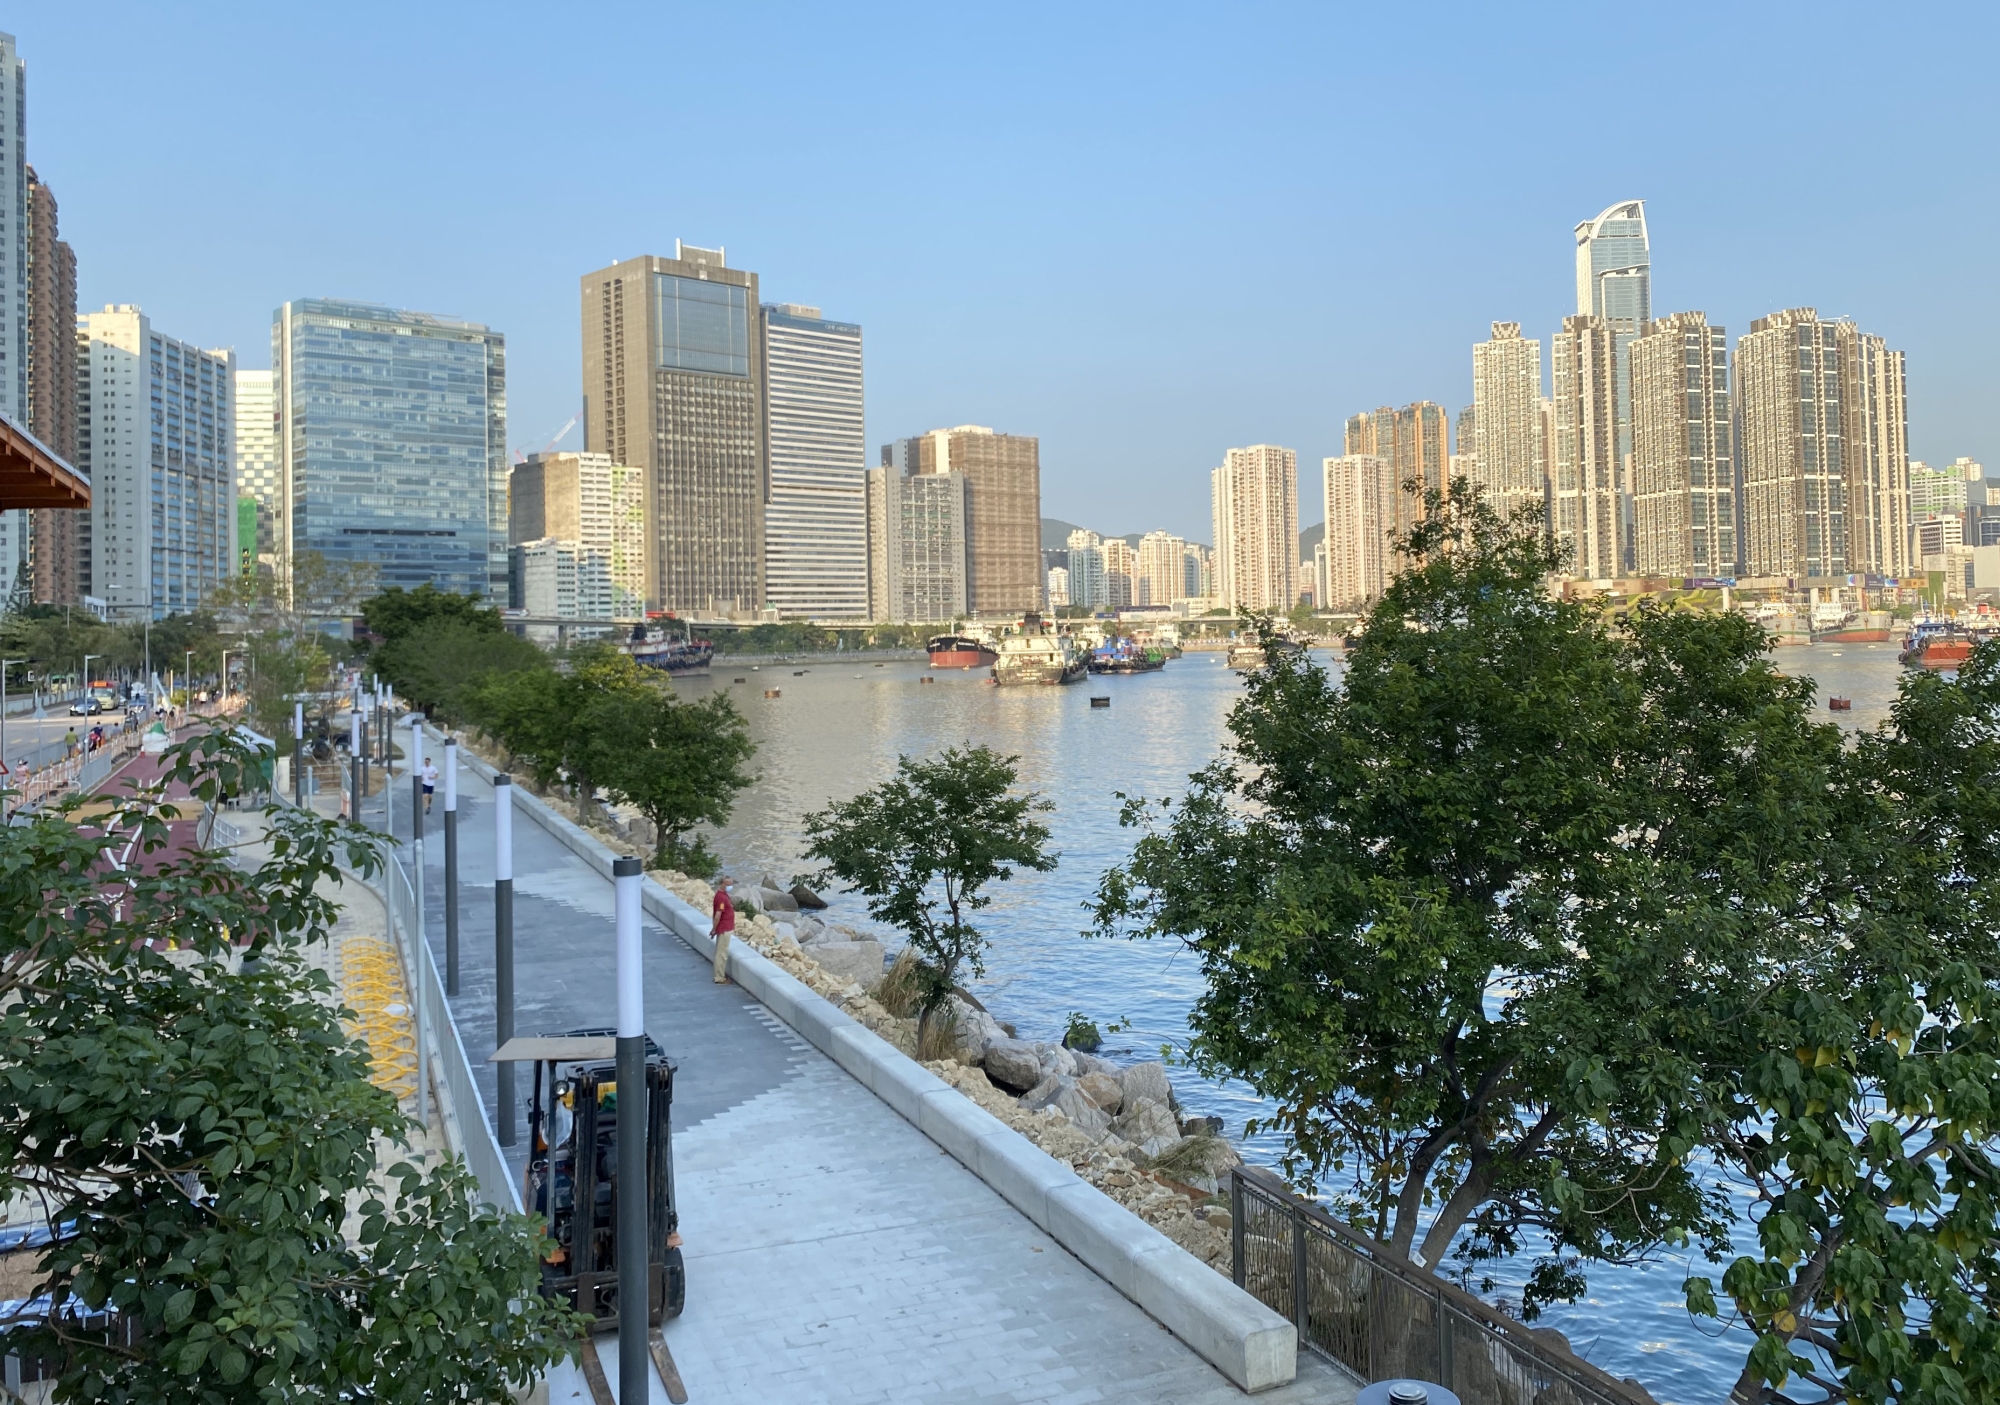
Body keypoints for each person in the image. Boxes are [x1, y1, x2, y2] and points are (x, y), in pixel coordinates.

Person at [710, 878, 736, 985]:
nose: (731, 887)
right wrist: (714, 929)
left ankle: (719, 975)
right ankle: (719, 977)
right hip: (724, 929)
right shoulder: (721, 898)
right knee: (721, 954)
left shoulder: (722, 895)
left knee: (721, 952)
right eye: (729, 885)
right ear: (722, 885)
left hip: (725, 927)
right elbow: (718, 915)